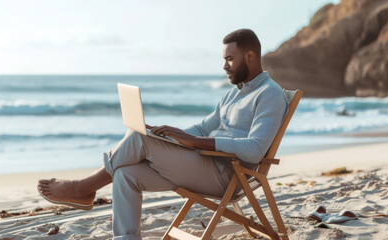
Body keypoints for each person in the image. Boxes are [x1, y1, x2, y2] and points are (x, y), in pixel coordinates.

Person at [37, 28, 288, 239]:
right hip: (203, 165)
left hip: (229, 176)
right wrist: (167, 136)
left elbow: (255, 149)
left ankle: (84, 188)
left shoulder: (270, 94)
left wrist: (194, 141)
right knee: (125, 173)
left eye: (230, 59)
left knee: (138, 138)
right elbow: (201, 129)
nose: (224, 66)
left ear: (251, 56)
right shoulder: (233, 94)